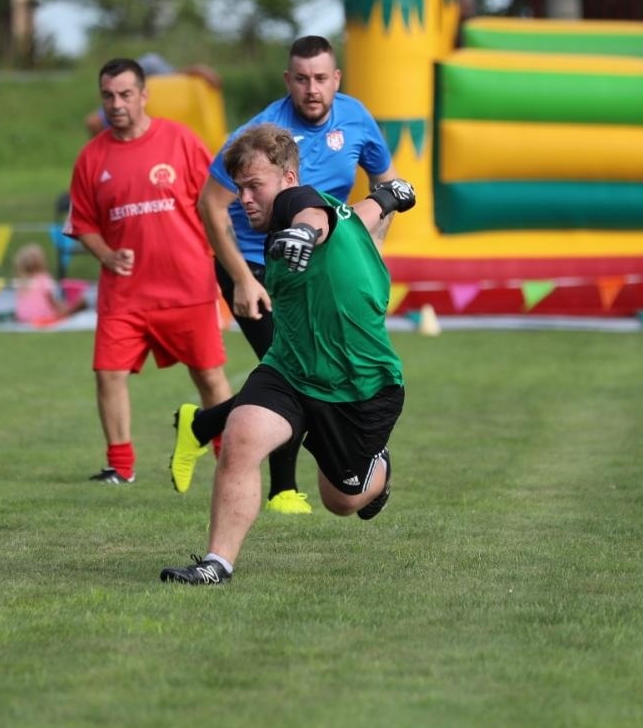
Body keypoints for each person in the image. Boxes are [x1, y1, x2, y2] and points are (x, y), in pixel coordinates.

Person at [161, 124, 417, 584]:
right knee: (240, 434)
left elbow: (311, 218)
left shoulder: (299, 205)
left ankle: (379, 471)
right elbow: (360, 211)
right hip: (291, 369)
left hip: (360, 385)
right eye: (238, 188)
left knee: (342, 501)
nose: (244, 198)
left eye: (254, 185)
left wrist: (301, 235)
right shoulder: (337, 213)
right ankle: (216, 564)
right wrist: (392, 194)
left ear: (288, 180)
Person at [179, 34, 398, 515]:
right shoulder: (261, 133)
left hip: (322, 268)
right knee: (294, 372)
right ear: (287, 80)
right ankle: (284, 488)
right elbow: (210, 205)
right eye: (301, 79)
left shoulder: (356, 117)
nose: (312, 89)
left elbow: (386, 182)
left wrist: (372, 248)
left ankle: (203, 426)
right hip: (262, 266)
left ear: (336, 79)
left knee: (304, 372)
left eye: (321, 78)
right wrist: (241, 278)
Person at [64, 57, 232, 484]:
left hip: (187, 286)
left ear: (144, 95)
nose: (116, 104)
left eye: (124, 94)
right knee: (108, 373)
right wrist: (106, 254)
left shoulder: (181, 141)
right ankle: (120, 467)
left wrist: (228, 260)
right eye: (107, 96)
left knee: (210, 376)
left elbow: (215, 201)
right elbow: (82, 223)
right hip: (125, 294)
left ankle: (228, 459)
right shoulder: (90, 158)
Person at [82, 53, 223, 137]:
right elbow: (93, 122)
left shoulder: (154, 68)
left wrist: (194, 71)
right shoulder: (149, 65)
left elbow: (176, 77)